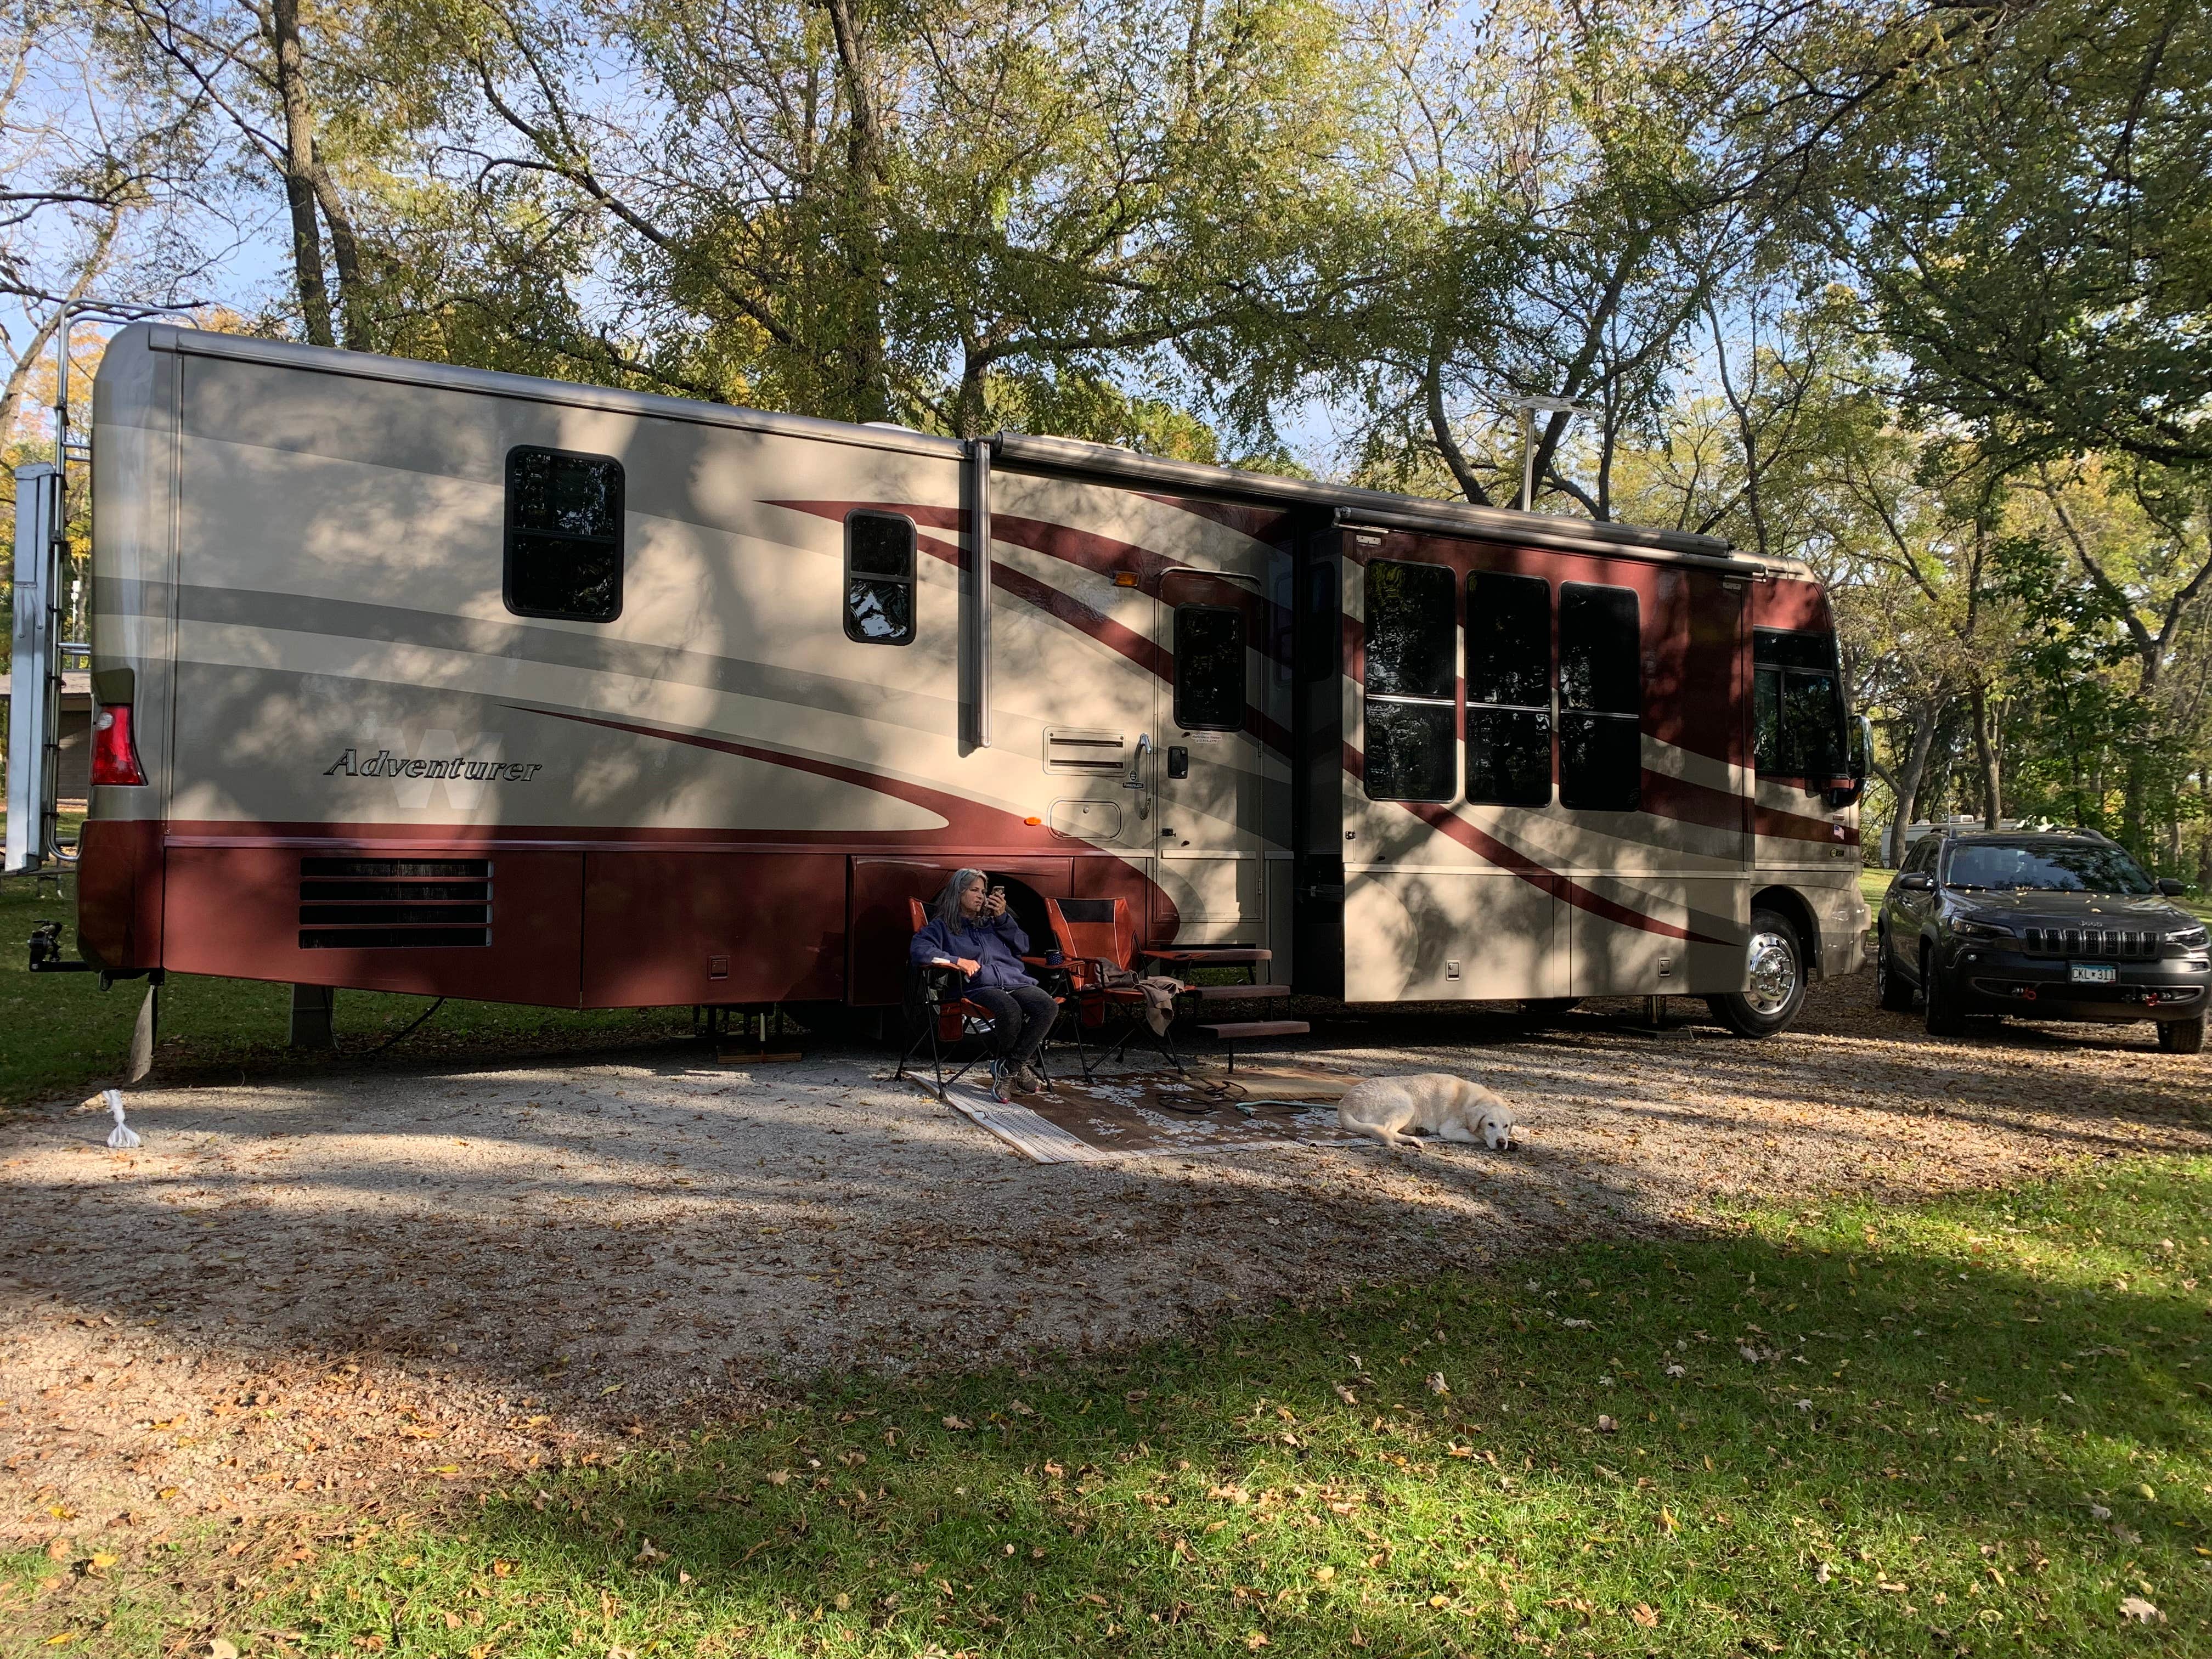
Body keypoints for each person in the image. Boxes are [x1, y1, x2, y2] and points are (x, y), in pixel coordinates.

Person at [909, 869, 1058, 1092]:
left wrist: (1002, 917)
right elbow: (919, 951)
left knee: (1047, 1006)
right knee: (1010, 1010)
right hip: (977, 986)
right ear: (958, 893)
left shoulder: (994, 923)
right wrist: (957, 960)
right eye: (974, 890)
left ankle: (1010, 1067)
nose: (981, 896)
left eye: (983, 891)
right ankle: (1018, 1068)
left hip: (1013, 980)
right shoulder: (942, 927)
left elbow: (1023, 946)